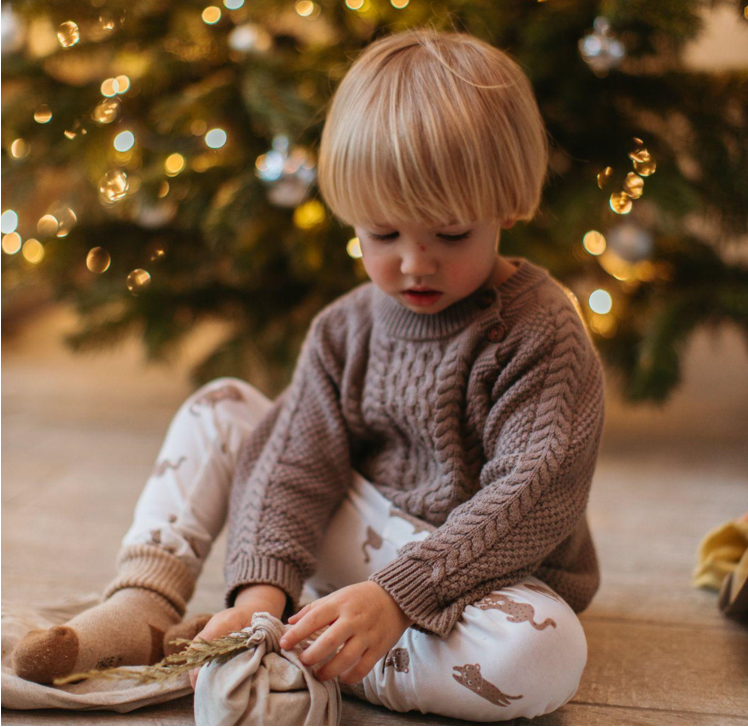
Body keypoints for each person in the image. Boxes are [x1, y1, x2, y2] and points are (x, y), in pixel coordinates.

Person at [12, 26, 606, 721]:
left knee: (545, 653)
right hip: (344, 546)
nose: (416, 263)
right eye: (383, 234)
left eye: (450, 234)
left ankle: (313, 655)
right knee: (222, 406)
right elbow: (295, 461)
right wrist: (257, 594)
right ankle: (147, 609)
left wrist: (396, 596)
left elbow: (534, 496)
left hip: (475, 574)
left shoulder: (542, 332)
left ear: (506, 205)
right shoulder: (344, 326)